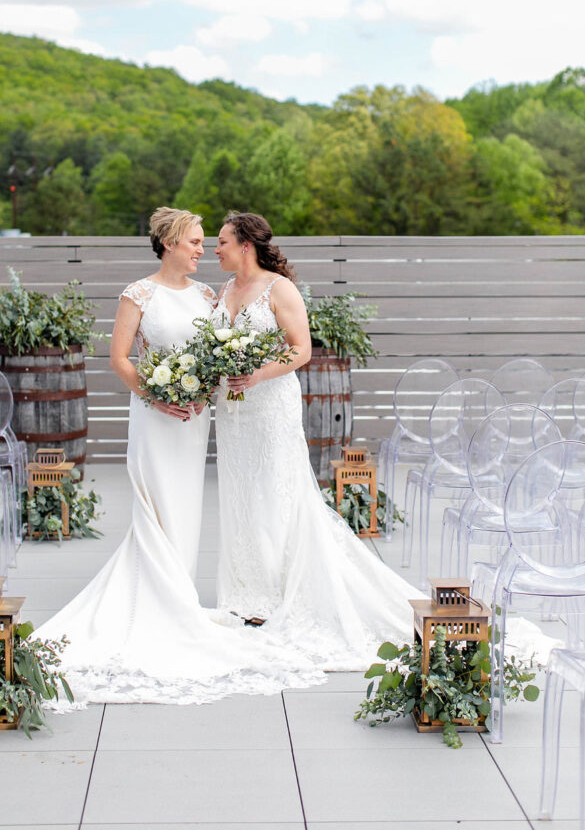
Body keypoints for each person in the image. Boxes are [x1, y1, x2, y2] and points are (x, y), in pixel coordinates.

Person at [37, 207, 322, 705]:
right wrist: (157, 394)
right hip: (156, 417)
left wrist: (214, 386)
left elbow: (222, 352)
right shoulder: (138, 294)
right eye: (194, 241)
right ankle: (158, 602)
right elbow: (120, 359)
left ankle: (183, 599)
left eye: (210, 242)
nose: (204, 249)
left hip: (197, 421)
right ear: (169, 243)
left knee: (191, 511)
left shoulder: (209, 296)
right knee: (157, 508)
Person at [213, 211, 424, 668]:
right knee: (240, 495)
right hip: (232, 414)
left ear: (246, 245)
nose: (216, 249)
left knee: (275, 492)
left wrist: (256, 375)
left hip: (269, 406)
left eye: (223, 241)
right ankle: (247, 593)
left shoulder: (279, 288)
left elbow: (301, 350)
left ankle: (278, 589)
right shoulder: (225, 290)